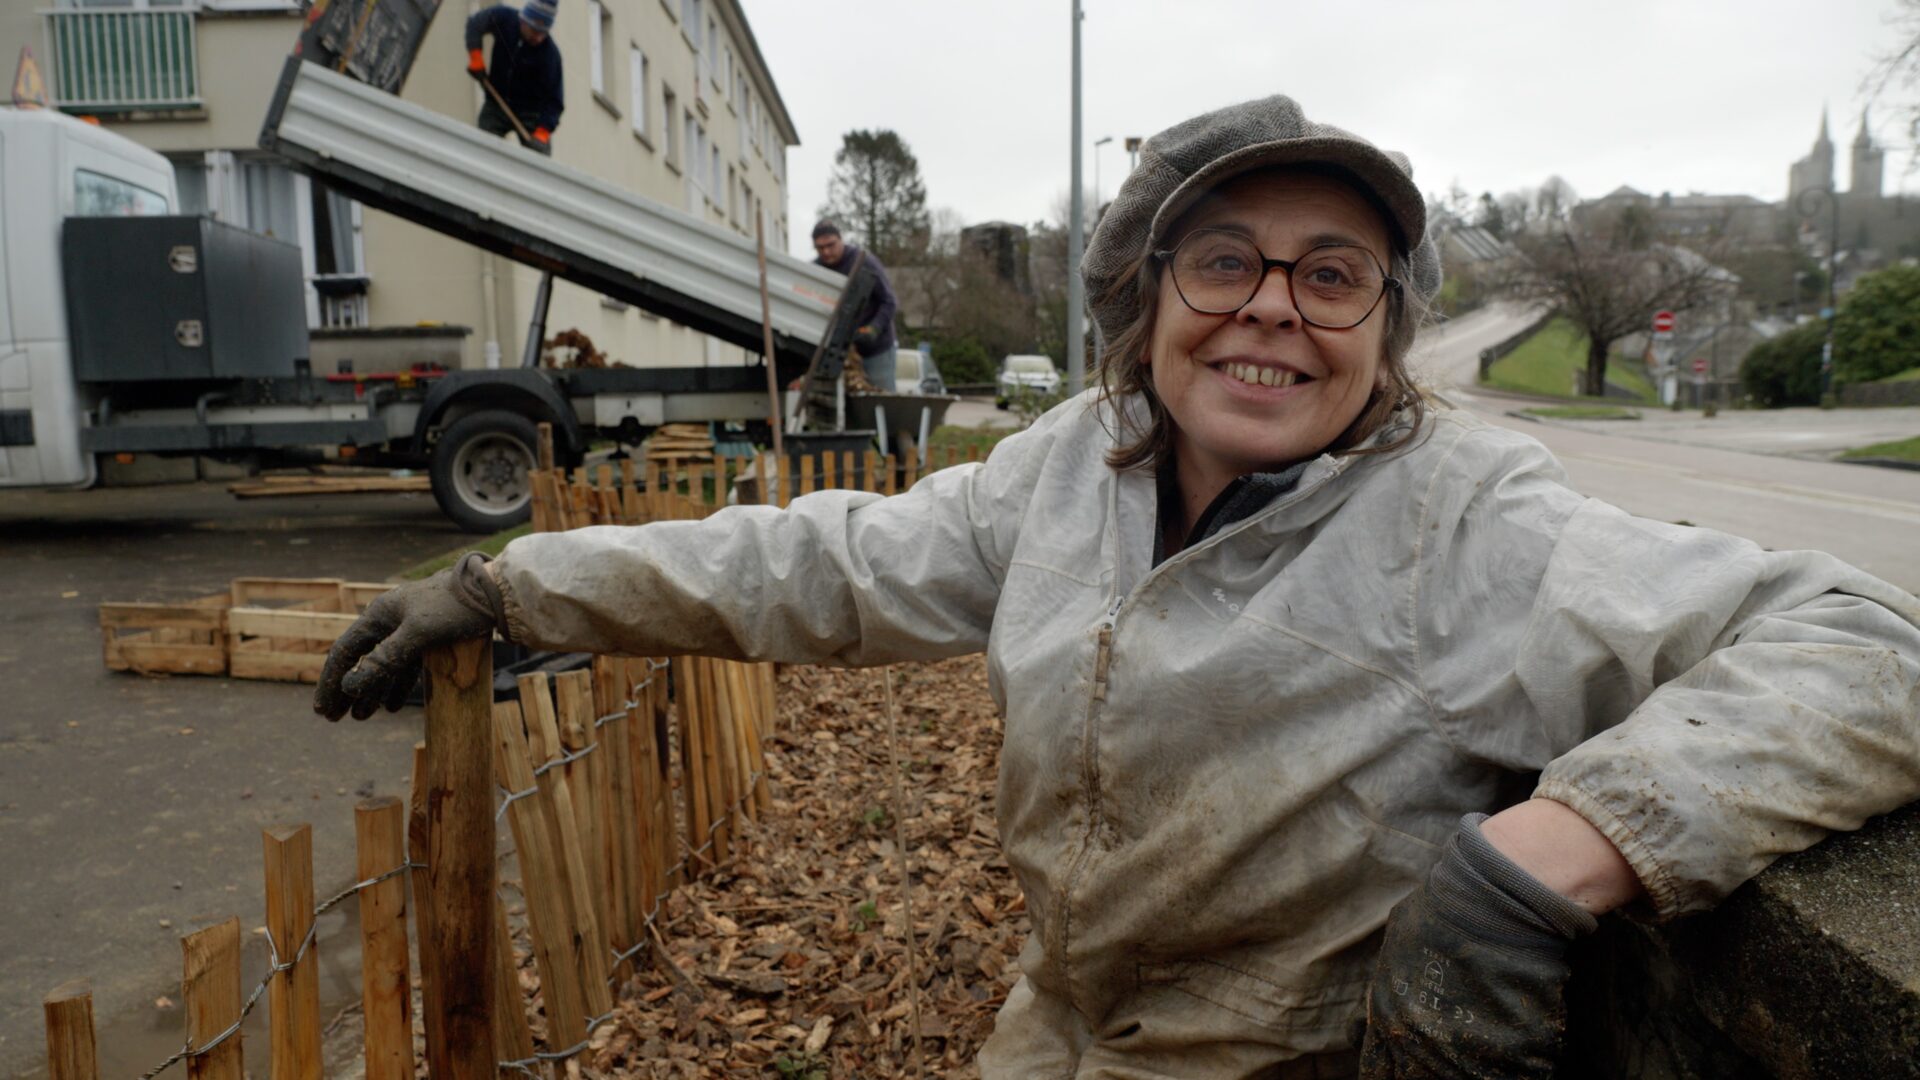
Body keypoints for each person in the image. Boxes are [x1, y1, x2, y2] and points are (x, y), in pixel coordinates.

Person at [313, 95, 1920, 1079]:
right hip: (1052, 1031)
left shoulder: (1468, 521)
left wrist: (1542, 864)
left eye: (1334, 272)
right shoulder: (1079, 464)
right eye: (1224, 260)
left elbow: (1862, 644)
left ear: (1387, 323)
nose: (1272, 312)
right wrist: (522, 582)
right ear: (1145, 297)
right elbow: (827, 557)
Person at [811, 219, 901, 390]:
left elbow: (889, 301)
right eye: (820, 248)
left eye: (831, 245)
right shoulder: (816, 270)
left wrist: (874, 328)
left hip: (877, 349)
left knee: (881, 399)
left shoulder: (863, 262)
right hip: (839, 352)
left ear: (841, 240)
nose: (827, 252)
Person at [465, 0, 562, 155]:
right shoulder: (504, 18)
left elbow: (555, 102)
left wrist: (542, 133)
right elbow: (475, 24)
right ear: (524, 20)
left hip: (531, 113)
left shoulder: (550, 55)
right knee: (483, 148)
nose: (538, 38)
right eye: (535, 30)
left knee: (539, 162)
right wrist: (476, 58)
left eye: (543, 33)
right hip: (497, 102)